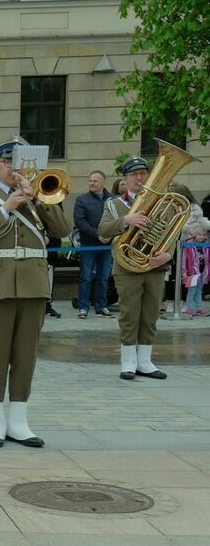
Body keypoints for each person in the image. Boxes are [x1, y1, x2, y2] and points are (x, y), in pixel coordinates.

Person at [0, 138, 72, 447]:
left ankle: (19, 419)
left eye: (19, 162)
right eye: (8, 162)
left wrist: (37, 200)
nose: (14, 168)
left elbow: (63, 231)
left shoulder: (42, 195)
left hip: (34, 284)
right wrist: (6, 209)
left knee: (25, 354)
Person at [96, 156, 172, 381]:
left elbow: (171, 232)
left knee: (150, 314)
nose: (139, 178)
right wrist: (126, 220)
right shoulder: (114, 204)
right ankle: (128, 361)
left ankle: (145, 361)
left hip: (154, 265)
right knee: (130, 314)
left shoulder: (161, 202)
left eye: (143, 174)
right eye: (134, 175)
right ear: (125, 179)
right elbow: (102, 232)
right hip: (127, 267)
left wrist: (168, 255)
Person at [72, 170, 114, 319]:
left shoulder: (113, 199)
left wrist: (109, 235)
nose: (91, 183)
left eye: (95, 181)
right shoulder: (82, 200)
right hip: (88, 245)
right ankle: (83, 307)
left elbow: (118, 220)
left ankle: (101, 306)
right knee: (86, 276)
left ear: (103, 182)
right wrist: (98, 234)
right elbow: (80, 222)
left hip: (107, 245)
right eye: (90, 181)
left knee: (104, 276)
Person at [183, 218, 210, 316]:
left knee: (199, 291)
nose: (202, 236)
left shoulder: (206, 244)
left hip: (203, 272)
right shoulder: (188, 244)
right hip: (191, 272)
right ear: (194, 234)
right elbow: (184, 259)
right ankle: (190, 308)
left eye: (204, 234)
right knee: (191, 291)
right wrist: (184, 271)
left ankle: (199, 308)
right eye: (200, 234)